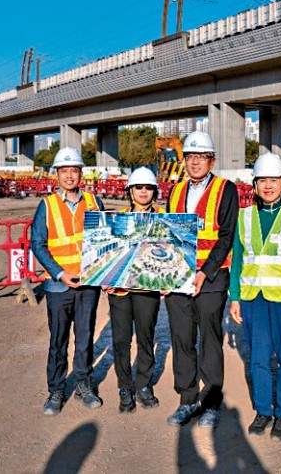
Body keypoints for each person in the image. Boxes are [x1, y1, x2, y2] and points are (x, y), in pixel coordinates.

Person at [229, 153, 281, 441]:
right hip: (254, 299)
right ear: (255, 184)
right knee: (259, 358)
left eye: (273, 180)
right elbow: (238, 259)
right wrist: (235, 297)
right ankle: (263, 409)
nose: (268, 185)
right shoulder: (245, 216)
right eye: (262, 180)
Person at [164, 131, 239, 429]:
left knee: (209, 340)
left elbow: (226, 236)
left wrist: (204, 272)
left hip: (212, 277)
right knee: (181, 338)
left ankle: (210, 402)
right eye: (190, 157)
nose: (195, 163)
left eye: (201, 157)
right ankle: (187, 399)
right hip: (178, 277)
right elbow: (167, 234)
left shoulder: (225, 189)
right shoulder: (175, 191)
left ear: (212, 160)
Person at [29, 146, 103, 416]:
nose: (70, 176)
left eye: (74, 170)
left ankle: (84, 384)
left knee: (84, 337)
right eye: (64, 171)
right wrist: (60, 273)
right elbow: (37, 244)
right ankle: (56, 390)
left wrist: (103, 274)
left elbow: (105, 242)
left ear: (81, 173)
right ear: (56, 175)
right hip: (59, 286)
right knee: (58, 340)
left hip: (88, 285)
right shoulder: (47, 205)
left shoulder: (94, 202)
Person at [105, 166, 163, 413]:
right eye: (138, 187)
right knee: (120, 340)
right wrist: (104, 276)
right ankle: (124, 387)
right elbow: (107, 251)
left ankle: (144, 385)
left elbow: (172, 254)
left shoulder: (163, 218)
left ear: (154, 191)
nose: (143, 192)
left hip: (147, 291)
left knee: (146, 338)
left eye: (148, 187)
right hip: (119, 290)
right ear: (130, 191)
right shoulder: (118, 219)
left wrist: (172, 280)